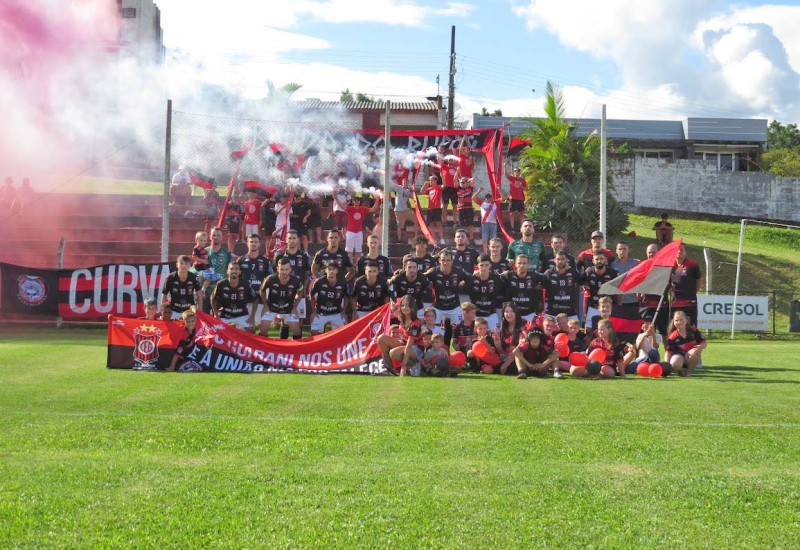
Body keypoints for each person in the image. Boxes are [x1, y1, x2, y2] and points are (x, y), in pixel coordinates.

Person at [377, 295, 424, 376]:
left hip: (416, 349)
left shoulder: (415, 324)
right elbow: (395, 311)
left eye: (408, 305)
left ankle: (415, 365)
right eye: (403, 305)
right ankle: (391, 370)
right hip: (404, 345)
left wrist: (403, 366)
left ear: (412, 307)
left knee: (393, 353)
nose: (405, 307)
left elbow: (409, 346)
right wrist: (392, 305)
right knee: (381, 338)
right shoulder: (402, 318)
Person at [259, 258, 304, 339]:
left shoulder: (296, 281)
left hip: (288, 308)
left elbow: (300, 291)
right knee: (263, 328)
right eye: (282, 269)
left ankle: (297, 350)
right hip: (271, 308)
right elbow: (262, 291)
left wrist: (295, 307)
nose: (284, 272)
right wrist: (265, 305)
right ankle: (264, 350)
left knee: (297, 330)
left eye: (286, 269)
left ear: (290, 269)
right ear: (277, 269)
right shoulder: (270, 279)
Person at [425, 249, 469, 325]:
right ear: (439, 261)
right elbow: (421, 277)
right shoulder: (434, 271)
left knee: (461, 327)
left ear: (452, 261)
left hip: (454, 306)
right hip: (438, 307)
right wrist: (429, 285)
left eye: (448, 260)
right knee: (432, 328)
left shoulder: (458, 271)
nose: (445, 263)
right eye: (443, 260)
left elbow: (470, 279)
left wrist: (463, 284)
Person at [210, 263, 258, 330]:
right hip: (225, 314)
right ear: (227, 271)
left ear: (240, 272)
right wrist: (215, 314)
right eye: (231, 269)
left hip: (242, 314)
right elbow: (213, 298)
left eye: (236, 269)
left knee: (251, 329)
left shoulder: (246, 284)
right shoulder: (221, 284)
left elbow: (255, 299)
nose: (234, 271)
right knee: (215, 330)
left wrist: (252, 316)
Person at [502, 254, 544, 325]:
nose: (521, 265)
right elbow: (495, 278)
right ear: (515, 264)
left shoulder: (534, 275)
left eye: (524, 263)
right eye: (519, 263)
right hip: (513, 315)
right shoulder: (508, 275)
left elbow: (548, 278)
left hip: (529, 314)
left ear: (528, 264)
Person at [580, 251, 618, 329]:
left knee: (609, 330)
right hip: (593, 306)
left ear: (605, 260)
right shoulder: (588, 272)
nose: (599, 261)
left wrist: (619, 302)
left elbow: (620, 289)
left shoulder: (613, 273)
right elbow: (582, 285)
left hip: (608, 308)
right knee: (590, 330)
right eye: (597, 259)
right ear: (593, 261)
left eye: (601, 259)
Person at [309, 261, 349, 335]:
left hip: (337, 312)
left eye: (334, 269)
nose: (331, 271)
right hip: (321, 313)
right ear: (325, 270)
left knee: (343, 333)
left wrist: (343, 312)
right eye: (329, 269)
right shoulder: (319, 282)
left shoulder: (343, 282)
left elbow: (346, 297)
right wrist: (314, 311)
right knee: (314, 332)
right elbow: (311, 296)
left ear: (337, 271)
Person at [638, 243, 670, 337]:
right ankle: (648, 351)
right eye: (649, 252)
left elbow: (670, 284)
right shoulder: (642, 266)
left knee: (664, 332)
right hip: (646, 306)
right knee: (647, 332)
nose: (651, 254)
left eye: (653, 252)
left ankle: (668, 351)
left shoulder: (665, 267)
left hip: (661, 305)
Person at [237, 234, 271, 319]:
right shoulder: (241, 260)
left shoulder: (265, 261)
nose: (253, 244)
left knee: (258, 323)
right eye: (251, 242)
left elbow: (270, 279)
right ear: (247, 244)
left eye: (256, 242)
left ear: (259, 244)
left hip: (259, 297)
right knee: (242, 324)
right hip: (243, 296)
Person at [468, 254, 505, 330]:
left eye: (486, 265)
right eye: (481, 265)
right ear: (477, 266)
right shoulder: (472, 279)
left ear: (490, 265)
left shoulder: (497, 279)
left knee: (496, 336)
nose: (484, 268)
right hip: (477, 315)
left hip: (491, 314)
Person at [665, 310, 707, 377]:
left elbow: (704, 343)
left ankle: (689, 372)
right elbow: (668, 352)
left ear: (686, 320)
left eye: (681, 319)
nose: (679, 322)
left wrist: (700, 347)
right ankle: (680, 370)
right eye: (676, 320)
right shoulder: (672, 336)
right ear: (673, 323)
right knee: (675, 364)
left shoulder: (693, 330)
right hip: (679, 356)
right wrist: (666, 366)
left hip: (690, 356)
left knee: (695, 351)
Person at [161, 255, 203, 320]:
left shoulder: (194, 278)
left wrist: (200, 312)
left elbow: (199, 295)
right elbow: (164, 294)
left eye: (186, 263)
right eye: (181, 263)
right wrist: (162, 311)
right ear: (177, 264)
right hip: (174, 311)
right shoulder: (170, 278)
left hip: (189, 311)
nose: (183, 266)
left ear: (190, 265)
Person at [342, 194, 381, 264]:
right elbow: (342, 207)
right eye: (355, 201)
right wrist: (336, 198)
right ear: (353, 202)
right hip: (350, 232)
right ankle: (350, 265)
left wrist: (377, 200)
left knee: (358, 251)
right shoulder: (350, 208)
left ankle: (357, 265)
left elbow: (373, 209)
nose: (356, 202)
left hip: (358, 232)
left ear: (359, 202)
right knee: (349, 251)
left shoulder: (362, 209)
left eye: (358, 201)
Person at [542, 249, 581, 320]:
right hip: (552, 312)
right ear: (554, 260)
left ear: (566, 260)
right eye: (558, 259)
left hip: (570, 312)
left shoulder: (573, 272)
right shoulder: (548, 273)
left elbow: (583, 282)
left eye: (563, 259)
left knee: (574, 329)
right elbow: (540, 287)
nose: (560, 261)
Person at [671, 243, 702, 326]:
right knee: (674, 326)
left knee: (691, 326)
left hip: (689, 302)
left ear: (685, 252)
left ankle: (693, 339)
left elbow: (698, 281)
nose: (679, 251)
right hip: (675, 302)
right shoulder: (670, 265)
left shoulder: (692, 265)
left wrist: (692, 292)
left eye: (681, 250)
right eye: (677, 249)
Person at [493, 302, 524, 375]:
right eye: (506, 311)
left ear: (516, 312)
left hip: (518, 357)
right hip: (505, 356)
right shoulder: (503, 327)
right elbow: (501, 350)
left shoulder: (523, 325)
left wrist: (506, 363)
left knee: (509, 369)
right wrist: (497, 343)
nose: (509, 314)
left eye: (511, 311)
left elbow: (521, 347)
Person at [611, 241, 640, 305]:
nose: (622, 251)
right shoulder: (612, 265)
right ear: (616, 251)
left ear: (628, 250)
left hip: (633, 299)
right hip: (618, 301)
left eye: (624, 249)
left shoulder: (635, 263)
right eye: (620, 249)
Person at [391, 177, 418, 243]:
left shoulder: (408, 191)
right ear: (402, 183)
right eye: (404, 183)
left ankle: (416, 236)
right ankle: (399, 239)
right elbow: (392, 185)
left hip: (406, 210)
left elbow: (414, 198)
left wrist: (414, 191)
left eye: (406, 183)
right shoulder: (399, 188)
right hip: (399, 210)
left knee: (416, 220)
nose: (405, 184)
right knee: (400, 226)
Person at [420, 174, 444, 245]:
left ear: (435, 180)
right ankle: (433, 239)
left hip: (437, 208)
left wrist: (442, 177)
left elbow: (444, 185)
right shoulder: (429, 189)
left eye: (431, 180)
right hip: (430, 209)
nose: (430, 181)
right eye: (430, 180)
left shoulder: (439, 187)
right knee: (431, 224)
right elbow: (422, 192)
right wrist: (425, 184)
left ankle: (441, 238)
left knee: (438, 224)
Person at [455, 177, 478, 241]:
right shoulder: (458, 189)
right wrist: (460, 180)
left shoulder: (469, 188)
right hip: (461, 208)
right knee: (461, 225)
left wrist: (467, 180)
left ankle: (471, 238)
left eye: (463, 182)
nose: (461, 184)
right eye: (461, 183)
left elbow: (473, 179)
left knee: (470, 224)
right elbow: (454, 179)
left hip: (469, 208)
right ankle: (463, 238)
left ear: (466, 183)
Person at [506, 167, 527, 231]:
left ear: (519, 172)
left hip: (520, 198)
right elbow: (506, 174)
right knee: (512, 213)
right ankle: (512, 228)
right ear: (513, 172)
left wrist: (521, 186)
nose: (516, 172)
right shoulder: (512, 178)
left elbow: (526, 188)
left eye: (517, 171)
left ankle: (522, 228)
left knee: (521, 213)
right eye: (515, 171)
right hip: (513, 198)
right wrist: (505, 166)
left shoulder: (522, 180)